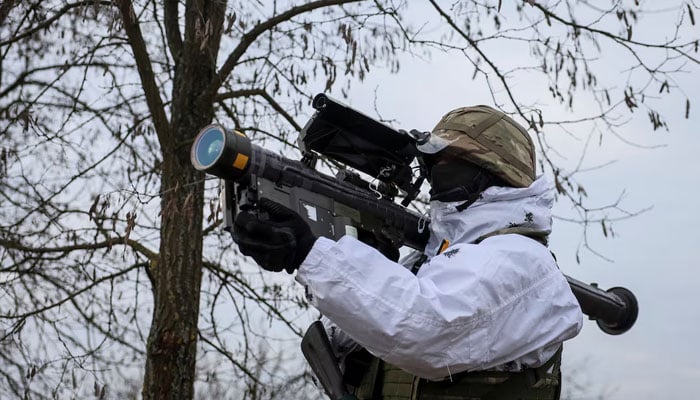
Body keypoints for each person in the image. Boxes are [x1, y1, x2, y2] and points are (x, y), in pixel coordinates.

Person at [232, 105, 583, 399]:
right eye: (432, 167)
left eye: (450, 163)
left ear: (492, 175)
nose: (435, 178)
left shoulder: (520, 259)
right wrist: (364, 261)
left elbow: (424, 329)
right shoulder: (436, 261)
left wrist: (309, 253)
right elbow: (345, 352)